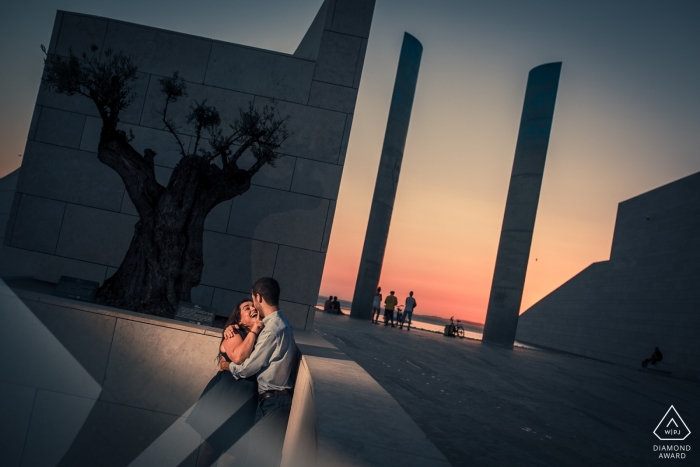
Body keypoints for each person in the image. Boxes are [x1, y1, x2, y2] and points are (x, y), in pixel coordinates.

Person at [220, 277, 297, 467]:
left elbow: (247, 368)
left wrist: (227, 366)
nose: (253, 306)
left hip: (274, 401)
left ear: (259, 297)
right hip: (272, 401)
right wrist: (234, 326)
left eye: (253, 301)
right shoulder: (281, 323)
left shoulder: (272, 329)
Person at [187, 300, 263, 467]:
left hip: (245, 400)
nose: (252, 309)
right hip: (225, 397)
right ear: (239, 319)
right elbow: (238, 357)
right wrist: (253, 330)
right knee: (214, 450)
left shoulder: (260, 335)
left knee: (234, 455)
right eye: (246, 307)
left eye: (254, 306)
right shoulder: (234, 334)